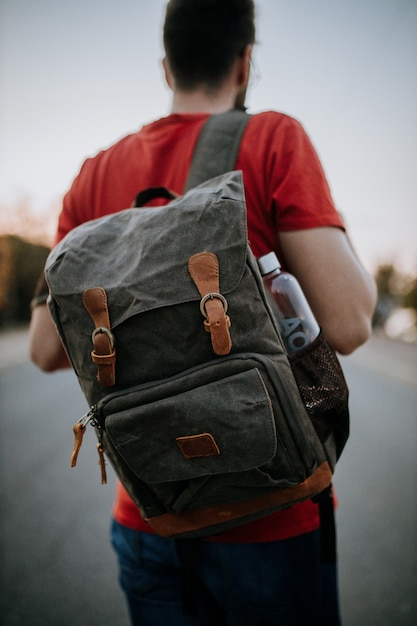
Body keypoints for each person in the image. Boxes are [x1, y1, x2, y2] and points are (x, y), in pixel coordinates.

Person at [29, 1, 377, 624]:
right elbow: (350, 323)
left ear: (167, 67)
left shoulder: (92, 177)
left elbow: (45, 350)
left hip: (152, 517)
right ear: (246, 63)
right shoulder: (272, 139)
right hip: (275, 517)